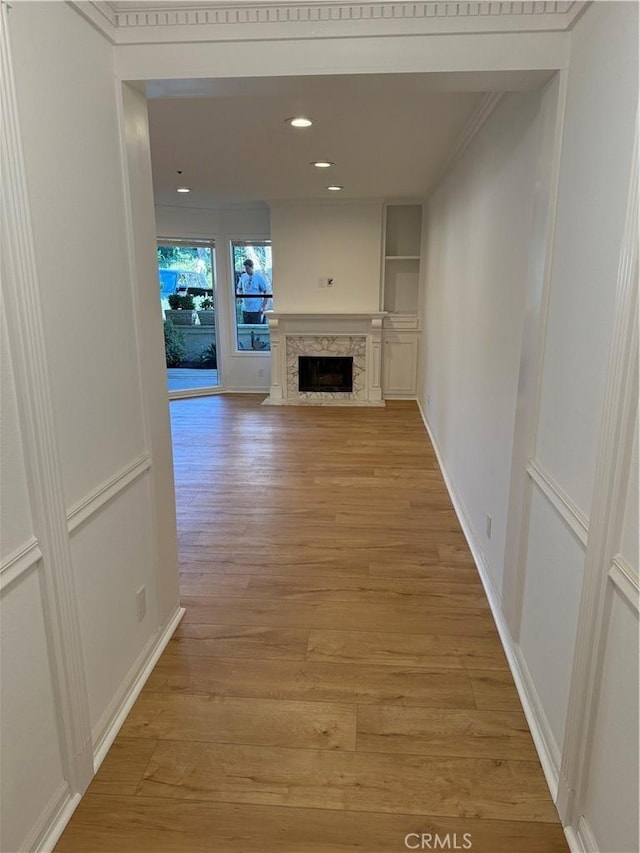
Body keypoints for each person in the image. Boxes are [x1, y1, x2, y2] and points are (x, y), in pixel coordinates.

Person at [237, 258, 268, 324]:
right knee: (247, 329)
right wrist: (240, 296)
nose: (246, 270)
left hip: (256, 309)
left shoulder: (258, 277)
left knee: (256, 330)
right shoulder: (243, 277)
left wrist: (263, 306)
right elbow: (239, 289)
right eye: (245, 268)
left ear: (252, 267)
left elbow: (265, 292)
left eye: (247, 268)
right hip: (245, 308)